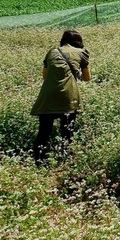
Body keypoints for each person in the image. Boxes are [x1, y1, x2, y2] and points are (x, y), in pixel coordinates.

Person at [31, 29, 91, 165]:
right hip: (68, 97)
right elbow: (87, 78)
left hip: (48, 96)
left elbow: (45, 75)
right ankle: (67, 162)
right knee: (67, 133)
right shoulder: (82, 53)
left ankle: (39, 162)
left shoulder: (52, 52)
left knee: (43, 133)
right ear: (79, 41)